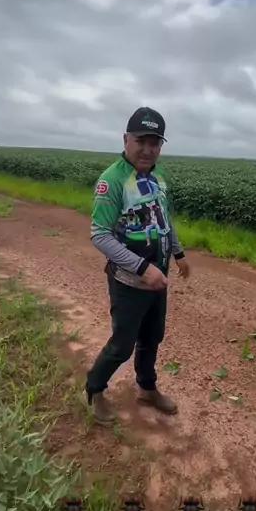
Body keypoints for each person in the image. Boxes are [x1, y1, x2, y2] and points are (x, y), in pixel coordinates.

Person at [85, 106, 191, 426]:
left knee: (152, 337)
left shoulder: (158, 177)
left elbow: (163, 220)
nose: (147, 149)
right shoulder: (112, 180)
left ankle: (146, 388)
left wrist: (178, 253)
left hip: (158, 279)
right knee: (122, 345)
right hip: (129, 282)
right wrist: (143, 268)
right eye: (141, 141)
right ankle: (94, 390)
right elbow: (100, 235)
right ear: (126, 140)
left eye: (154, 143)